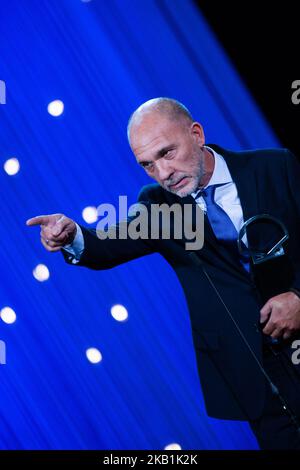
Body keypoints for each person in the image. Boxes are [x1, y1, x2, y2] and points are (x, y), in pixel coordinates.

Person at [27, 98, 300, 449]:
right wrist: (73, 235)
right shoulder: (159, 205)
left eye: (167, 153)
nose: (163, 173)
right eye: (148, 165)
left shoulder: (275, 167)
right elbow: (107, 244)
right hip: (256, 376)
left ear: (197, 134)